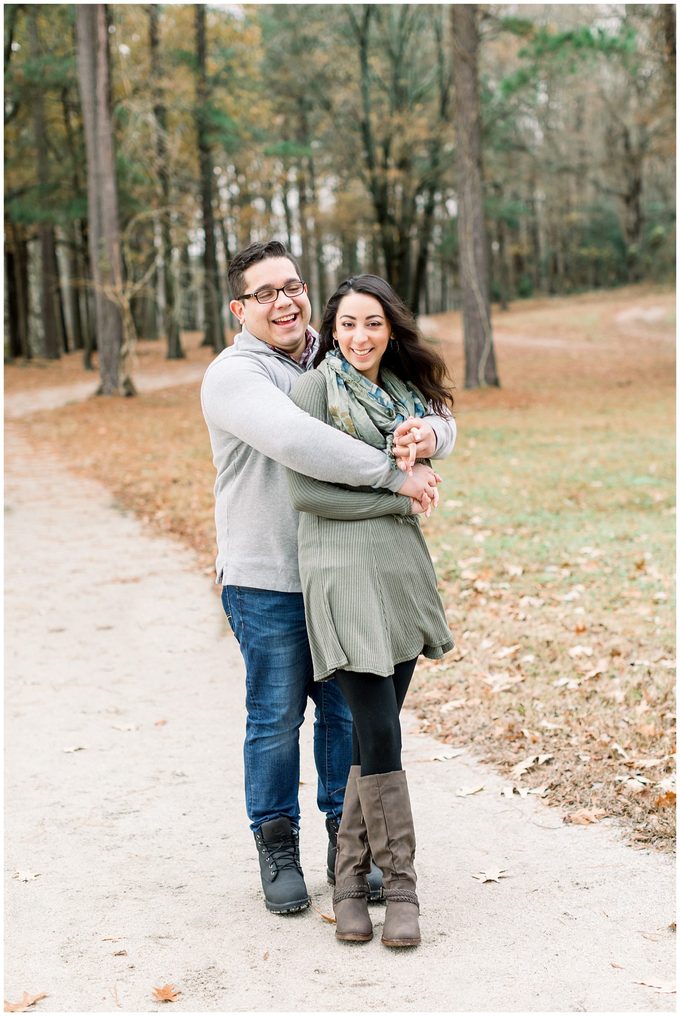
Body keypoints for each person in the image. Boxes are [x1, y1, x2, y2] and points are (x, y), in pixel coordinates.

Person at [200, 241, 456, 916]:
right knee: (277, 718)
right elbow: (298, 444)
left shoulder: (340, 347)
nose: (284, 301)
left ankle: (353, 850)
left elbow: (416, 398)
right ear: (239, 308)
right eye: (265, 293)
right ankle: (275, 843)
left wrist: (432, 437)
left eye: (292, 286)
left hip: (343, 571)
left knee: (345, 716)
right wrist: (396, 477)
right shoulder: (233, 377)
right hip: (269, 575)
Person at [286, 274, 455, 948]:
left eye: (373, 324)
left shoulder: (407, 396)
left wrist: (428, 449)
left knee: (366, 739)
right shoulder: (313, 390)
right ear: (332, 328)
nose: (361, 337)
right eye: (349, 324)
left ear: (391, 330)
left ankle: (349, 880)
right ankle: (403, 888)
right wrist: (401, 494)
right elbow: (306, 493)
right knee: (381, 731)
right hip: (339, 572)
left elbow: (441, 435)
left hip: (399, 574)